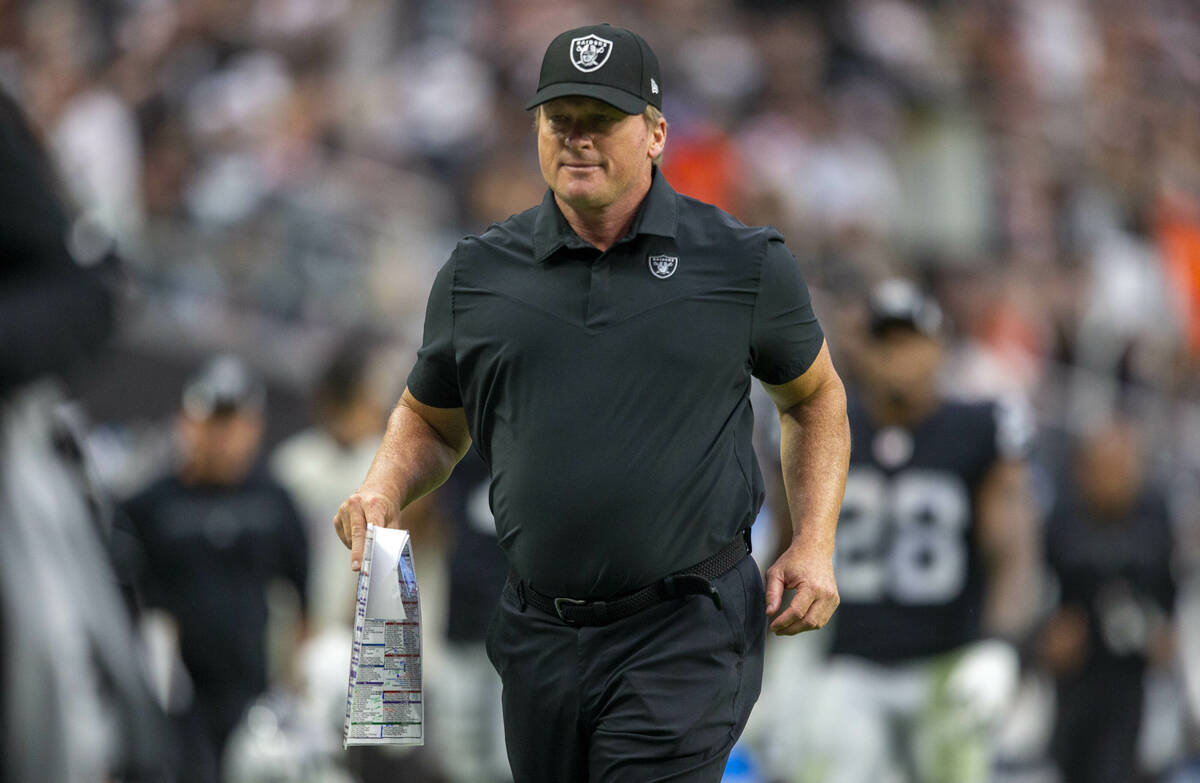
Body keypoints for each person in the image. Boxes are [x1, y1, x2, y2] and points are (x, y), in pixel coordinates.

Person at [334, 23, 850, 782]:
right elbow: (430, 418)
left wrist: (813, 541)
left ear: (656, 134)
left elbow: (815, 398)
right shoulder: (479, 273)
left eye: (601, 121)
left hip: (685, 626)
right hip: (537, 630)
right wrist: (383, 485)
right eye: (559, 120)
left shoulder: (742, 262)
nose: (577, 139)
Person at [799, 279, 1039, 783]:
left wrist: (1001, 644)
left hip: (947, 662)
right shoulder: (827, 425)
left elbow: (1013, 550)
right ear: (861, 350)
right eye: (884, 341)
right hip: (850, 662)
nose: (897, 356)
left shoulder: (980, 427)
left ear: (938, 348)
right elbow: (788, 542)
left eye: (910, 340)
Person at [116, 355, 309, 782]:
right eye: (211, 422)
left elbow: (303, 592)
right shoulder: (150, 504)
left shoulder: (274, 502)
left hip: (254, 690)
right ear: (187, 422)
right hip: (175, 695)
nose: (220, 437)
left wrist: (295, 687)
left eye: (232, 423)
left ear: (253, 427)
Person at [1039, 417, 1176, 783]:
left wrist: (1165, 629)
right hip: (1074, 671)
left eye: (1123, 469)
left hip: (1130, 669)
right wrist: (1046, 629)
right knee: (1062, 761)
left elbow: (1169, 586)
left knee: (1117, 764)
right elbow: (1041, 583)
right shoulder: (1063, 516)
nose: (1114, 480)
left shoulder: (1155, 516)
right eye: (1104, 469)